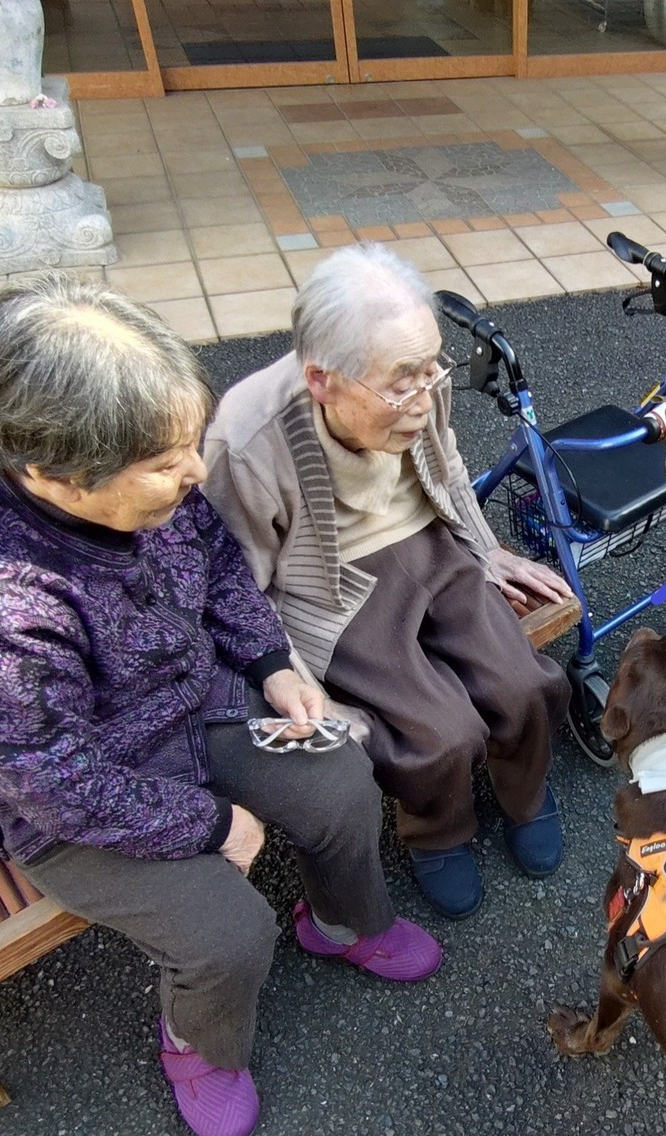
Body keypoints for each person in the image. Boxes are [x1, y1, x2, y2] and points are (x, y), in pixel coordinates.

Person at [0, 276, 442, 1136]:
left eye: (188, 444)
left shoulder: (114, 444)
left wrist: (271, 664)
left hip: (182, 694)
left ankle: (342, 921)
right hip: (56, 795)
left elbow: (211, 554)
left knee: (338, 779)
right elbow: (56, 782)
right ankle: (199, 1045)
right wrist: (215, 825)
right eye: (168, 466)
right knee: (228, 935)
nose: (195, 471)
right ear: (53, 475)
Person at [203, 244, 573, 920]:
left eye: (434, 365)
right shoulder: (247, 436)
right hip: (330, 584)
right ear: (322, 380)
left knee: (524, 683)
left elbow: (447, 462)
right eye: (403, 379)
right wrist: (301, 687)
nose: (426, 391)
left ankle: (527, 791)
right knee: (439, 731)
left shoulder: (423, 374)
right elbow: (238, 587)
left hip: (429, 542)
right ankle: (437, 832)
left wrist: (485, 547)